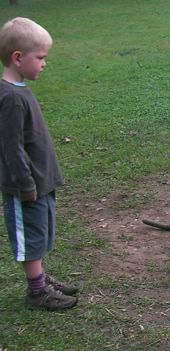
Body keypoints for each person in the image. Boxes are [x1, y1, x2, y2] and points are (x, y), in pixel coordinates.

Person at [0, 17, 78, 310]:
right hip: (27, 187)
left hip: (40, 182)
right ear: (18, 58)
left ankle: (41, 279)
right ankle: (37, 292)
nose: (44, 64)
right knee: (31, 238)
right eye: (41, 57)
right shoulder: (10, 98)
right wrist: (25, 185)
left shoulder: (19, 90)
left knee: (41, 232)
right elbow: (10, 147)